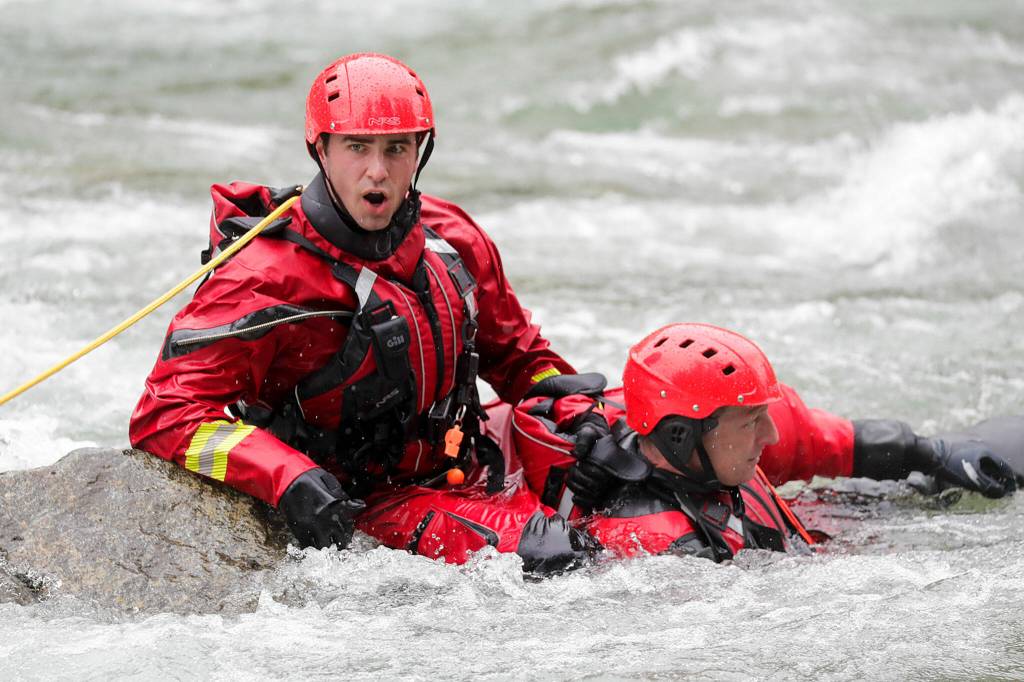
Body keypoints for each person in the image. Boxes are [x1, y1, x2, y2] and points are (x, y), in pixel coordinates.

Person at [505, 323, 1021, 561]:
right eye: (753, 420)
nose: (769, 435)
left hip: (821, 528)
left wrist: (926, 451)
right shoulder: (659, 548)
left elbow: (815, 435)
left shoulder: (714, 448)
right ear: (682, 434)